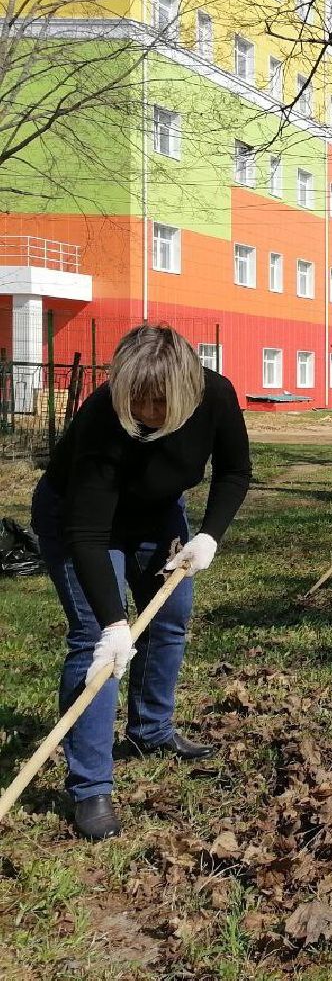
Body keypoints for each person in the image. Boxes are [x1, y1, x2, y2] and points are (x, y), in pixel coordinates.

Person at [31, 324, 251, 840]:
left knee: (169, 621)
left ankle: (151, 730)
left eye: (156, 403)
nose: (144, 414)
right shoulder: (103, 416)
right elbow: (86, 531)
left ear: (184, 393)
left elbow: (235, 472)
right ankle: (90, 787)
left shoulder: (215, 395)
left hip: (157, 515)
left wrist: (209, 536)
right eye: (135, 400)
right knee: (96, 646)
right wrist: (112, 622)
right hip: (81, 524)